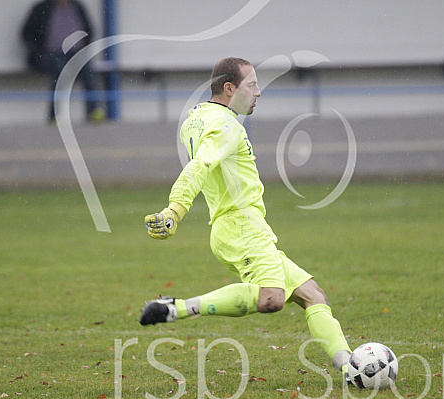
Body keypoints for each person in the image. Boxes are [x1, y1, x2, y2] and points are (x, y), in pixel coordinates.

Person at [139, 57, 353, 381]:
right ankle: (176, 308)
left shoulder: (193, 120)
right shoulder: (226, 125)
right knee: (271, 299)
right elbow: (201, 165)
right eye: (252, 85)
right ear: (229, 89)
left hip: (237, 227)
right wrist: (175, 210)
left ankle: (349, 366)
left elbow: (203, 158)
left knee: (312, 294)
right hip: (242, 226)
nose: (258, 93)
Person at [21, 0, 105, 122]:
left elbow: (89, 30)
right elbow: (26, 33)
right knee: (61, 71)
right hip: (49, 54)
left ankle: (93, 111)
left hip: (74, 53)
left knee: (87, 69)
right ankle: (55, 115)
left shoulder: (76, 7)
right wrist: (37, 51)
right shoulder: (41, 8)